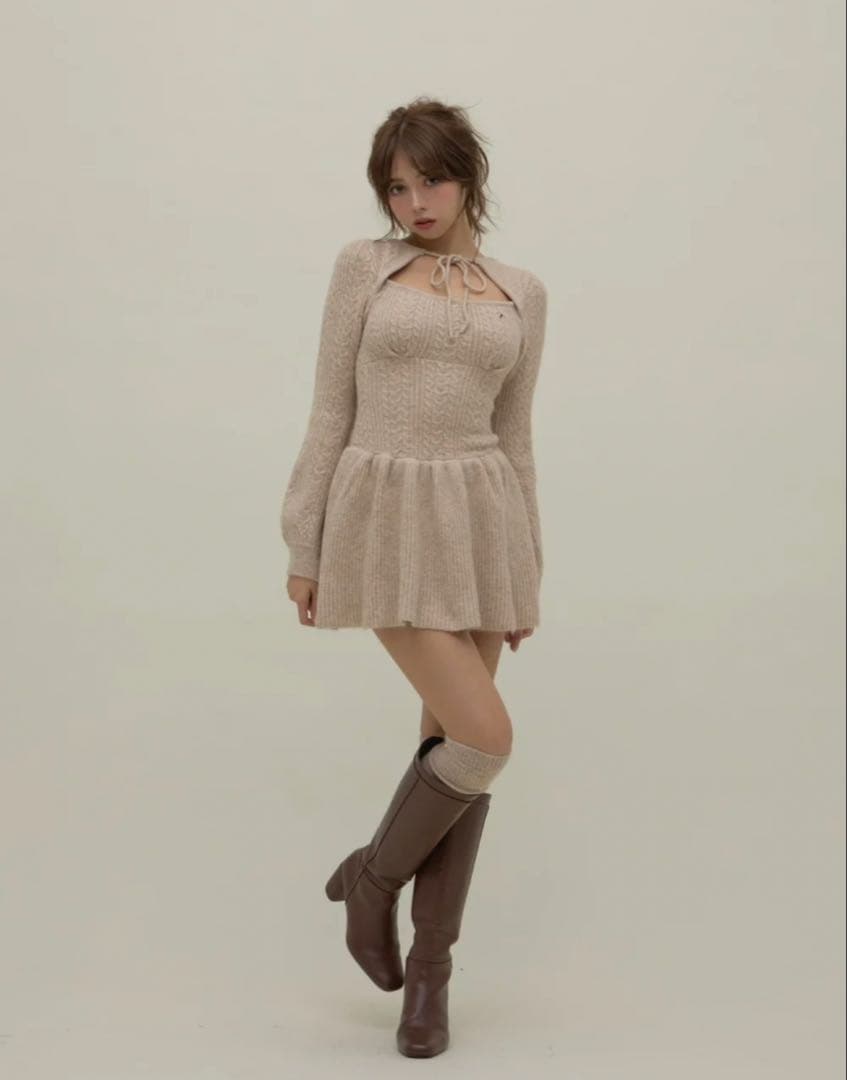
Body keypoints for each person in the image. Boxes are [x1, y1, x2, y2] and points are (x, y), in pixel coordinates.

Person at [280, 97, 548, 1058]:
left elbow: (516, 434)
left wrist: (526, 569)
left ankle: (428, 976)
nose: (414, 201)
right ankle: (372, 882)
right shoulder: (366, 267)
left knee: (452, 752)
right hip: (383, 512)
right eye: (396, 187)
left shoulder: (522, 291)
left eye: (430, 179)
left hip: (481, 519)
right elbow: (329, 408)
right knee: (485, 737)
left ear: (468, 176)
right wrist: (304, 543)